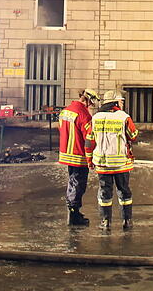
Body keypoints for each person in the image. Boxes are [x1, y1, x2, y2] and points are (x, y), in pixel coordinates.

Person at [85, 90, 139, 230]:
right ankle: (127, 221)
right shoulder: (123, 117)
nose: (122, 104)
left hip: (102, 164)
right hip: (120, 163)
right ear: (115, 102)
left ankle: (105, 222)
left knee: (104, 192)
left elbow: (89, 141)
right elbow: (133, 135)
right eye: (121, 101)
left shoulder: (95, 118)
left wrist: (89, 160)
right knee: (124, 192)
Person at [59, 88, 99, 226]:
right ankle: (74, 215)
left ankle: (73, 211)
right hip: (78, 155)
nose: (91, 107)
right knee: (78, 184)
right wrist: (90, 160)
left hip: (67, 154)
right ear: (87, 99)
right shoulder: (84, 115)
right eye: (91, 103)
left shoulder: (66, 110)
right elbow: (89, 139)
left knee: (72, 181)